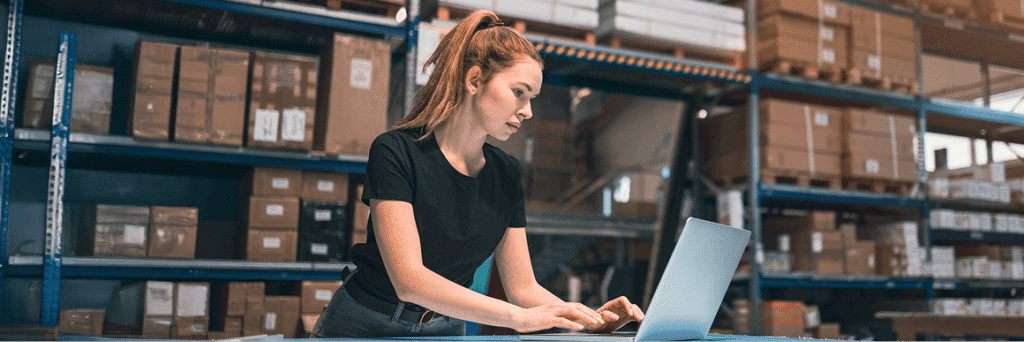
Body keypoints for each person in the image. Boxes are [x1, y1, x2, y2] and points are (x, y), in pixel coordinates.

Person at [310, 9, 644, 338]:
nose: (527, 111)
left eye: (532, 98)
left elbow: (523, 287)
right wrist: (517, 318)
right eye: (519, 92)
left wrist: (587, 320)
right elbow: (408, 280)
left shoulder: (506, 173)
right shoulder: (396, 151)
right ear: (474, 80)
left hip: (445, 327)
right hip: (365, 324)